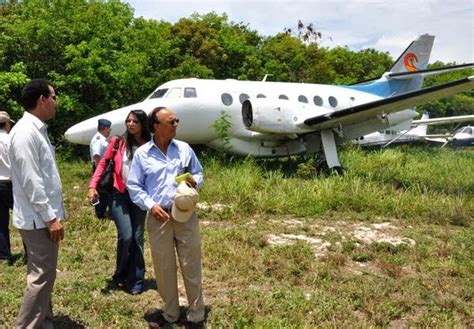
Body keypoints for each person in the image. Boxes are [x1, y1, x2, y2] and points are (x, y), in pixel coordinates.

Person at [127, 107, 205, 327]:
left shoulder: (184, 149)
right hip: (158, 216)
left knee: (191, 263)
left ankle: (196, 314)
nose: (176, 124)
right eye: (171, 122)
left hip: (185, 213)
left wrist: (195, 181)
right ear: (156, 127)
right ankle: (170, 313)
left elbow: (198, 172)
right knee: (163, 267)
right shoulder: (143, 154)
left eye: (176, 121)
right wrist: (151, 206)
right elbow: (134, 186)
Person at [9, 79, 65, 328]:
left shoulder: (36, 130)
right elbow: (32, 181)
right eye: (53, 97)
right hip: (38, 219)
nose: (56, 102)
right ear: (42, 99)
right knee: (41, 276)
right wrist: (50, 218)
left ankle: (45, 321)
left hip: (40, 216)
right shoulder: (25, 132)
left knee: (43, 273)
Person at [87, 110, 151, 295]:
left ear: (143, 124)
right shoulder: (117, 142)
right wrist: (92, 186)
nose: (130, 124)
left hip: (140, 197)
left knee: (137, 238)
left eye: (135, 121)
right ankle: (120, 274)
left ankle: (136, 279)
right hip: (118, 195)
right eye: (128, 121)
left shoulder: (149, 145)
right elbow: (102, 163)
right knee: (126, 235)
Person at [0, 111, 15, 264]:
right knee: (24, 219)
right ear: (7, 124)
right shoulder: (10, 140)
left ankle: (4, 255)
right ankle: (30, 252)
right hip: (11, 184)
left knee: (1, 222)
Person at [89, 118, 112, 218]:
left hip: (101, 169)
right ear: (106, 128)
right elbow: (96, 156)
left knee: (104, 191)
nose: (109, 132)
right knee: (100, 192)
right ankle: (99, 214)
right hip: (100, 169)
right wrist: (101, 172)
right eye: (109, 129)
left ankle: (101, 212)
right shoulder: (98, 139)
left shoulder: (100, 138)